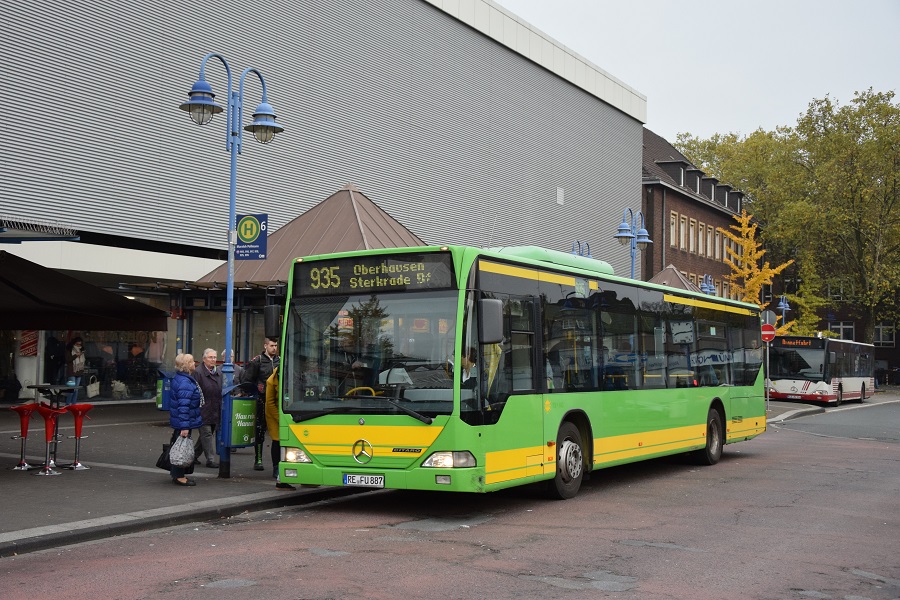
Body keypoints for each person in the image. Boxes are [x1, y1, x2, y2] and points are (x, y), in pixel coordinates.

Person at [240, 337, 280, 471]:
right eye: (272, 345)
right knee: (260, 430)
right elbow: (247, 380)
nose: (274, 348)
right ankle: (258, 459)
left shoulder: (280, 360)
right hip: (262, 399)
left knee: (276, 430)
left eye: (275, 345)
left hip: (276, 401)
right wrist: (254, 393)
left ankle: (278, 462)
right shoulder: (257, 361)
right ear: (265, 346)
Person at [168, 353, 203, 486]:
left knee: (178, 445)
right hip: (183, 421)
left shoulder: (181, 379)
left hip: (181, 420)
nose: (195, 363)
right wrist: (185, 426)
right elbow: (184, 406)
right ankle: (179, 476)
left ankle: (177, 474)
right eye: (193, 361)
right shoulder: (185, 382)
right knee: (181, 448)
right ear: (187, 365)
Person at [265, 366, 295, 490]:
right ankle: (277, 470)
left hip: (287, 413)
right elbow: (270, 403)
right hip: (274, 414)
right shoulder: (271, 381)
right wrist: (280, 418)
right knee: (277, 440)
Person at [192, 348, 222, 468]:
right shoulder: (198, 372)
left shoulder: (218, 372)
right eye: (210, 357)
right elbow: (196, 392)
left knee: (205, 435)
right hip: (203, 409)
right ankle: (210, 459)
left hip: (214, 408)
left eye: (214, 357)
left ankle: (193, 456)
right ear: (204, 359)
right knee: (207, 434)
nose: (213, 360)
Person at [65, 337, 86, 405]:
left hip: (78, 372)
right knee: (71, 389)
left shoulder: (81, 350)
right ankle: (68, 403)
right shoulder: (70, 350)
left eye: (80, 344)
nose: (79, 346)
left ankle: (74, 403)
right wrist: (75, 355)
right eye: (77, 344)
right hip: (71, 372)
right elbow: (68, 360)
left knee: (76, 390)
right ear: (74, 343)